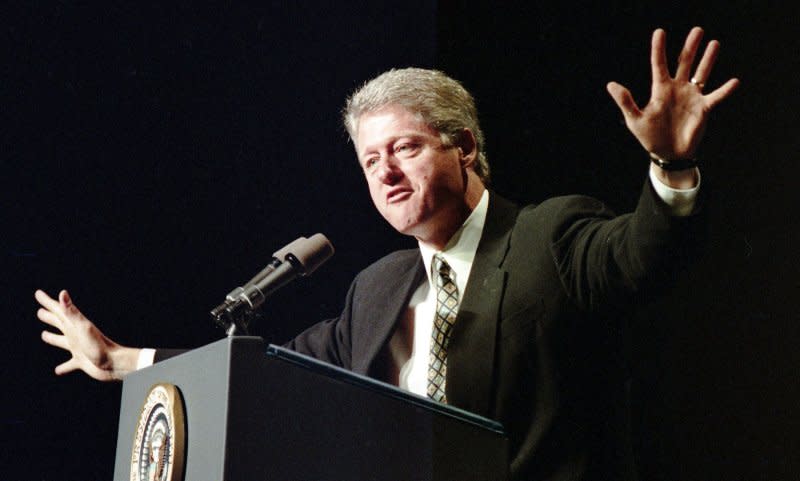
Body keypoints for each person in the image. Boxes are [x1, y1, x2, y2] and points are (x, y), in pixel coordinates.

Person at [36, 27, 738, 480]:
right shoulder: (377, 289)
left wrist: (671, 171)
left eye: (404, 147)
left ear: (464, 146)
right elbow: (264, 375)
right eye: (371, 161)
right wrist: (127, 362)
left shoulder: (549, 238)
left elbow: (646, 254)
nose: (386, 173)